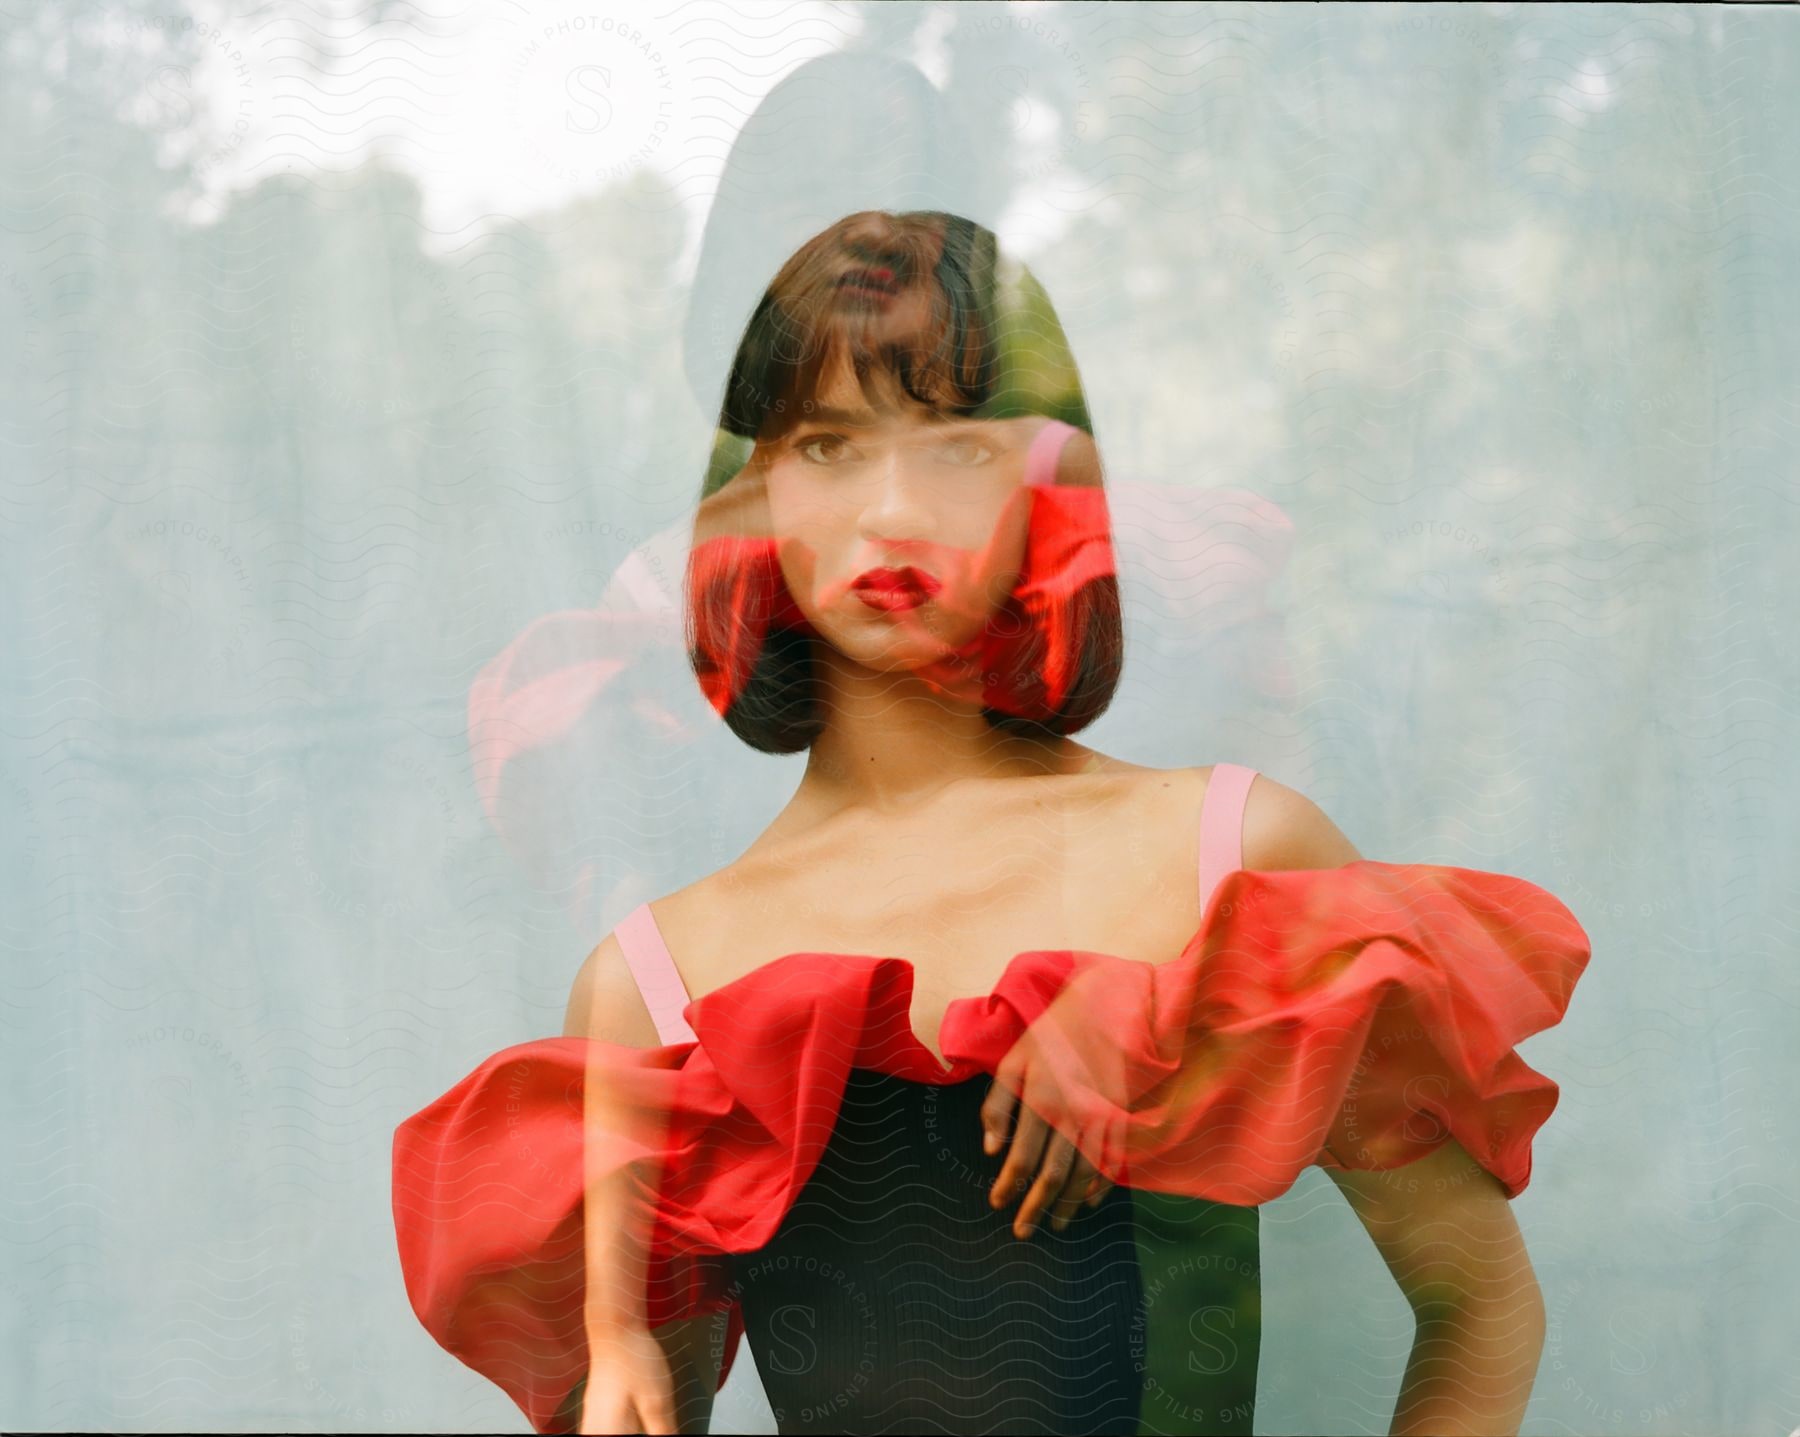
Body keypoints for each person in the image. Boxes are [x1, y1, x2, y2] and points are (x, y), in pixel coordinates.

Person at [392, 210, 1592, 1437]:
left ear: (1045, 484)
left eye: (959, 449)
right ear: (754, 492)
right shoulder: (650, 977)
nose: (893, 512)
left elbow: (1481, 1304)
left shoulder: (1234, 853)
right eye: (828, 445)